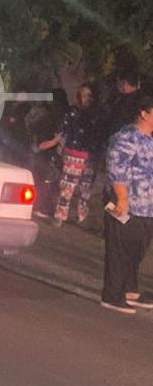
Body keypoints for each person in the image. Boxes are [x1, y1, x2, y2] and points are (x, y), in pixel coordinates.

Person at [100, 94, 153, 314]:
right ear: (144, 113)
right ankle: (112, 295)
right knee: (119, 250)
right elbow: (117, 169)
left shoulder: (148, 139)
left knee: (135, 251)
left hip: (147, 208)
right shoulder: (126, 137)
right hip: (126, 205)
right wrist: (122, 198)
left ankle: (130, 290)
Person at [54, 82, 99, 226]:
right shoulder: (71, 112)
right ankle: (60, 215)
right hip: (73, 154)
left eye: (88, 95)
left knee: (85, 188)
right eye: (81, 95)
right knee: (67, 186)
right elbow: (63, 131)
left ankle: (82, 216)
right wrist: (59, 150)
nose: (84, 98)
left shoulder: (97, 114)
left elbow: (100, 135)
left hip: (90, 155)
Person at [25, 94, 67, 220]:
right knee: (45, 183)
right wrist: (55, 141)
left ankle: (42, 207)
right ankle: (43, 208)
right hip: (44, 158)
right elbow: (41, 145)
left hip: (44, 157)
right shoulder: (48, 121)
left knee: (44, 183)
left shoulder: (49, 119)